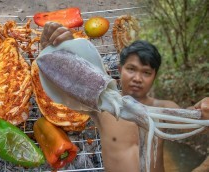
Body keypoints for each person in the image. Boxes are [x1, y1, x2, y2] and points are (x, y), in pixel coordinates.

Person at [40, 22, 209, 172]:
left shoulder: (165, 108)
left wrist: (202, 111)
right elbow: (68, 85)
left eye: (146, 73)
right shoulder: (101, 109)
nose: (137, 78)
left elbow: (196, 123)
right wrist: (55, 51)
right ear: (120, 70)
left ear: (154, 76)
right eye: (131, 69)